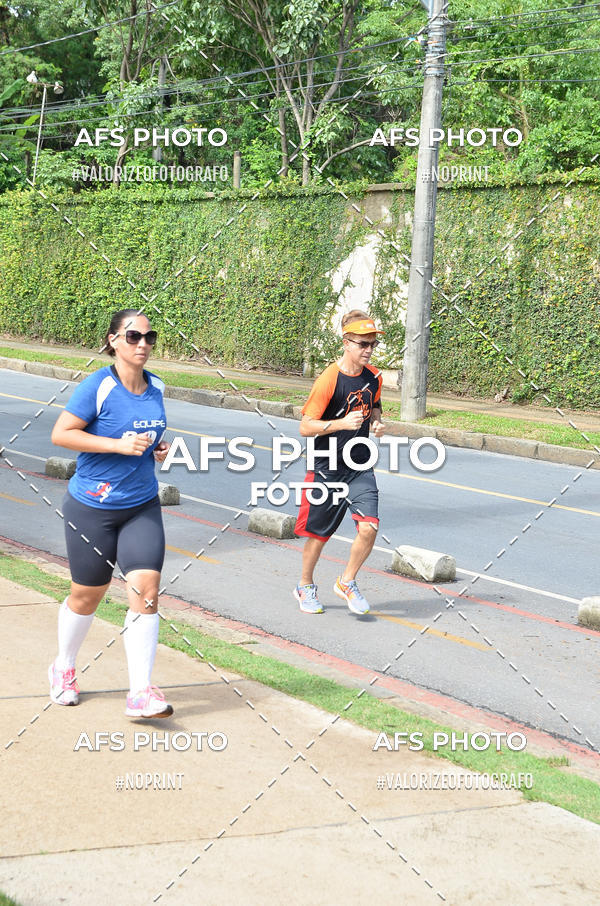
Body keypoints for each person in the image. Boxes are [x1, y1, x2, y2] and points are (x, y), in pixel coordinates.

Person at [48, 309, 173, 718]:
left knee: (147, 591)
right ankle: (64, 667)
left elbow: (149, 433)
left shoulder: (157, 386)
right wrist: (118, 446)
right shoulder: (98, 386)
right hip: (92, 507)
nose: (143, 344)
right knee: (87, 596)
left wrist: (157, 447)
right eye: (133, 336)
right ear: (114, 341)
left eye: (149, 337)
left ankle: (141, 693)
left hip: (141, 505)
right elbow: (62, 434)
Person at [293, 309, 385, 616]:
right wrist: (342, 424)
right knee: (318, 534)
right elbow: (305, 426)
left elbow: (374, 405)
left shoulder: (374, 377)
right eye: (363, 344)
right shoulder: (328, 380)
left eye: (373, 344)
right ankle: (305, 586)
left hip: (359, 465)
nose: (369, 350)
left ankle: (347, 581)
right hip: (326, 467)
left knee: (369, 527)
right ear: (346, 343)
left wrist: (376, 421)